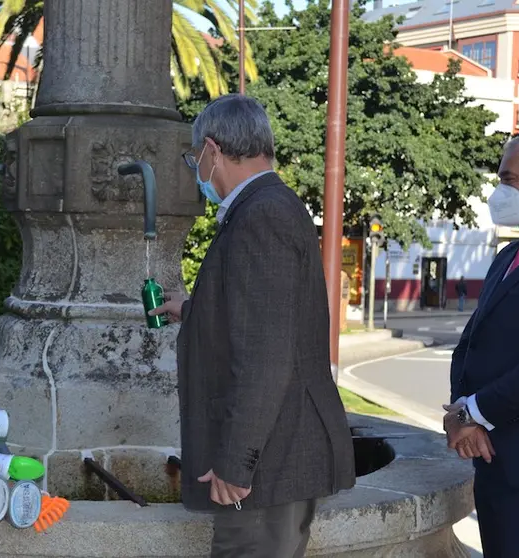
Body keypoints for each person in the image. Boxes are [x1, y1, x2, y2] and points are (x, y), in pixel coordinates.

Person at [151, 95, 355, 557]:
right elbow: (259, 316)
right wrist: (195, 309)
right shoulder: (267, 206)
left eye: (193, 159)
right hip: (275, 462)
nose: (195, 169)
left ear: (212, 150)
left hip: (269, 469)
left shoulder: (261, 216)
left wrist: (237, 464)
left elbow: (267, 356)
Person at [444, 133, 519, 558]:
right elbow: (469, 345)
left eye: (509, 179)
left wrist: (472, 411)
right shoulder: (508, 255)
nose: (500, 191)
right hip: (492, 465)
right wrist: (460, 410)